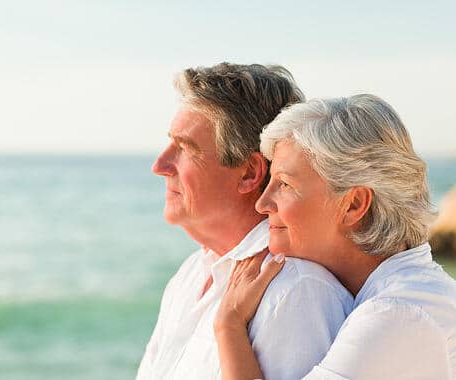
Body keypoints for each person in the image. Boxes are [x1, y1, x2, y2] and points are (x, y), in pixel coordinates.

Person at [137, 63, 354, 380]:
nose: (160, 165)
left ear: (250, 174)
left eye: (185, 148)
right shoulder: (189, 276)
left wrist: (230, 326)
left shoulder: (296, 291)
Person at [216, 94, 456, 379]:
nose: (262, 203)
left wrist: (229, 326)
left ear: (354, 205)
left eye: (284, 184)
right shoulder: (409, 292)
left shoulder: (396, 313)